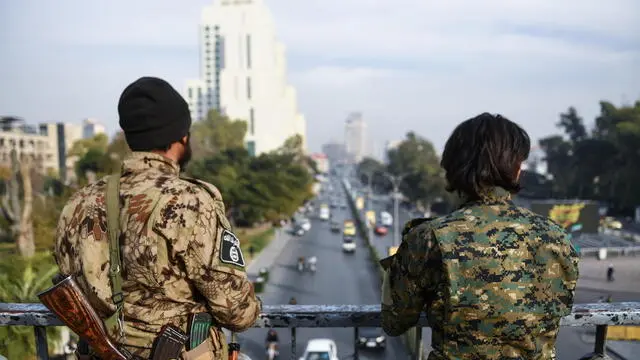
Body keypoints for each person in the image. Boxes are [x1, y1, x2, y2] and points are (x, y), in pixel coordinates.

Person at [54, 77, 262, 359]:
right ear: (182, 137)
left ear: (129, 137)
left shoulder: (79, 203)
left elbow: (70, 289)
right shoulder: (191, 201)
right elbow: (237, 312)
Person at [380, 113, 579, 359]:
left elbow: (394, 321)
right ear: (517, 170)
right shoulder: (557, 238)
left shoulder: (430, 238)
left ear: (451, 169)